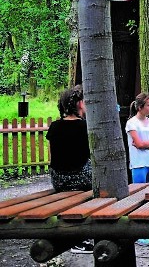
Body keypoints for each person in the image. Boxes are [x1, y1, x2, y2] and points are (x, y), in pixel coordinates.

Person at [46, 85, 93, 254]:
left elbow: (51, 157)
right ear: (80, 104)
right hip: (82, 179)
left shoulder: (54, 126)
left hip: (59, 180)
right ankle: (83, 237)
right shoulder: (85, 127)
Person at [126, 92, 149, 247]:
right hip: (139, 164)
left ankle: (148, 229)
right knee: (139, 197)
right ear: (140, 107)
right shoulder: (132, 123)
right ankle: (138, 232)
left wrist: (146, 143)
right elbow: (138, 144)